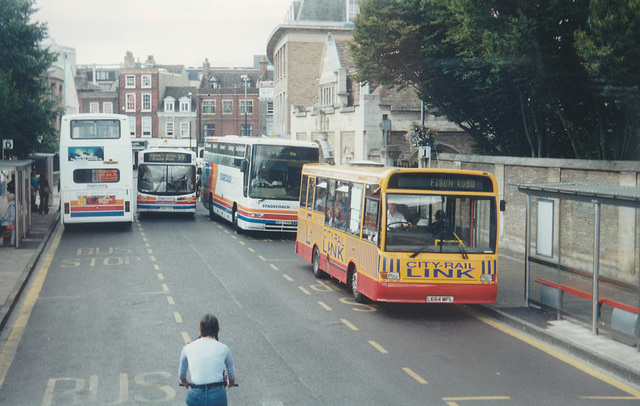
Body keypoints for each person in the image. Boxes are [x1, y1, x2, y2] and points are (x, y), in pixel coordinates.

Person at [179, 314, 236, 406]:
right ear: (217, 329)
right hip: (217, 395)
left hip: (196, 395)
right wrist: (230, 383)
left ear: (200, 328)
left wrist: (185, 382)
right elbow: (232, 377)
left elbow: (182, 376)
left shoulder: (187, 348)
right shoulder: (224, 349)